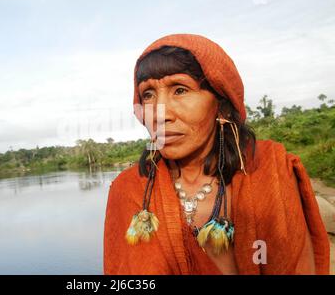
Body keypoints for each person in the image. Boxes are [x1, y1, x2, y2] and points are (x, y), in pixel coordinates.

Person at [103, 34, 330, 275]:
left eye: (180, 90)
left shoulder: (269, 170)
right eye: (148, 94)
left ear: (221, 104)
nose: (159, 114)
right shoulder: (129, 190)